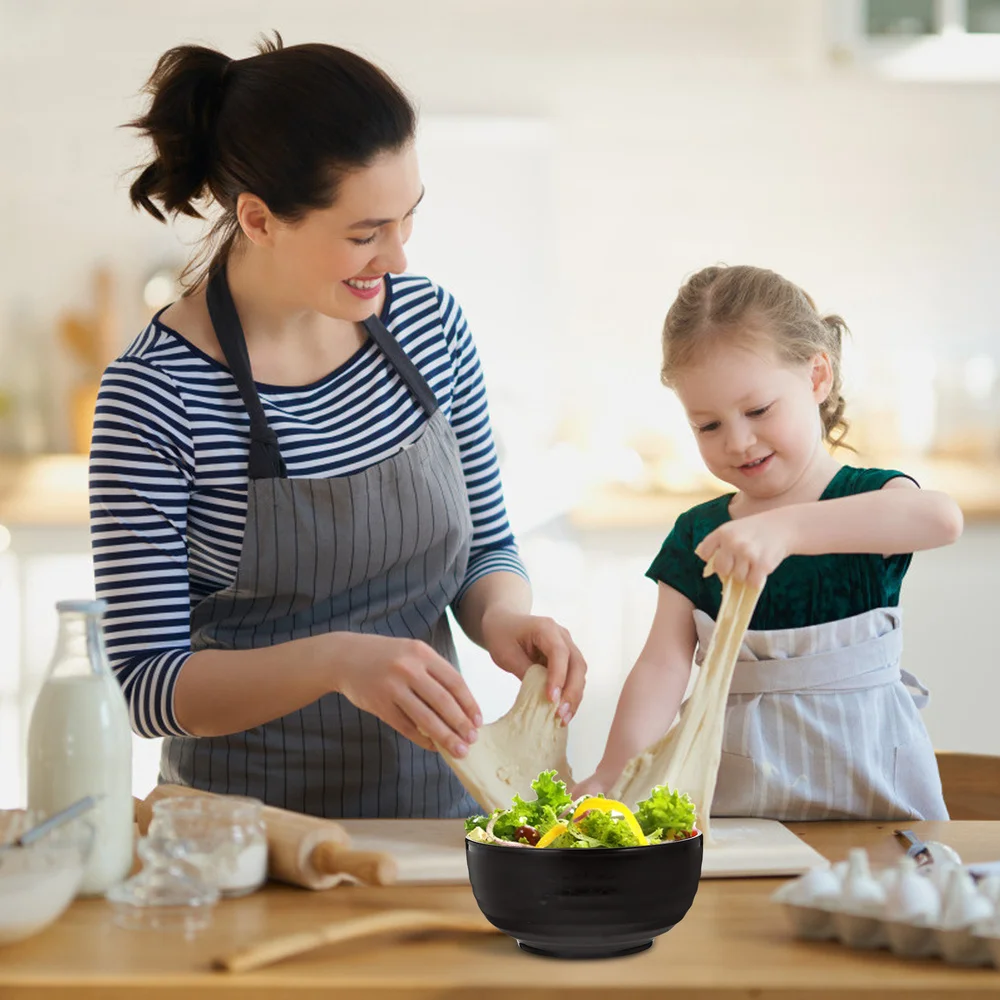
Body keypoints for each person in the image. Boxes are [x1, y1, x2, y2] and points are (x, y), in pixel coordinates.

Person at [89, 34, 587, 819]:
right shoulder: (157, 394)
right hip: (244, 838)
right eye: (365, 234)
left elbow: (484, 545)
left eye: (406, 220)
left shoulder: (429, 326)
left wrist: (506, 620)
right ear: (258, 219)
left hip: (440, 813)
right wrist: (336, 663)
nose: (396, 259)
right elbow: (146, 685)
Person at [573, 264, 962, 821]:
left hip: (880, 812)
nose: (737, 441)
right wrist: (614, 772)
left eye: (758, 410)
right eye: (707, 426)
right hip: (740, 813)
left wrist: (787, 529)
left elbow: (941, 519)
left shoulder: (870, 499)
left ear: (816, 377)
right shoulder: (698, 534)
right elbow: (662, 666)